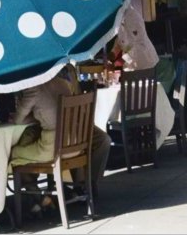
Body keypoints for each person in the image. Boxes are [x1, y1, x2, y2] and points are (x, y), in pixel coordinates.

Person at [9, 65, 111, 208]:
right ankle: (75, 190)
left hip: (54, 147)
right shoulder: (63, 83)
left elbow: (18, 121)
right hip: (77, 143)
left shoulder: (33, 89)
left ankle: (38, 198)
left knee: (13, 154)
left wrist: (19, 118)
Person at [116, 3, 159, 71]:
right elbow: (122, 41)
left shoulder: (132, 18)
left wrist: (122, 58)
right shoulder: (122, 18)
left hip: (144, 60)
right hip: (138, 63)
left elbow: (133, 42)